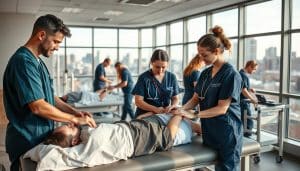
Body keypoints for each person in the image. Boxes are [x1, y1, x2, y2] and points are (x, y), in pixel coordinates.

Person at [3, 14, 97, 171]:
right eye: (56, 41)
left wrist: (76, 112)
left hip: (39, 138)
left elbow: (50, 98)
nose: (57, 47)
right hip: (26, 139)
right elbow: (38, 106)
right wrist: (72, 118)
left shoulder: (39, 63)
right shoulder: (23, 62)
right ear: (41, 35)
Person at [172, 26, 243, 171]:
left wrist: (194, 114)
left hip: (226, 133)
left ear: (216, 51)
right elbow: (195, 98)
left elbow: (222, 108)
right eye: (199, 54)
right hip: (209, 132)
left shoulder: (231, 74)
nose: (201, 59)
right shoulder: (205, 73)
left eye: (204, 55)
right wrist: (181, 109)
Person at [25, 113, 201, 170]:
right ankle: (197, 126)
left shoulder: (85, 135)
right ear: (74, 142)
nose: (71, 123)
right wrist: (178, 114)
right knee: (187, 125)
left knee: (179, 118)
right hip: (142, 137)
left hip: (135, 125)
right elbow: (167, 137)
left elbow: (40, 150)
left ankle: (189, 120)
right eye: (69, 128)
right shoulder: (87, 149)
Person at [132, 49, 180, 118]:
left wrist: (172, 106)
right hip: (145, 115)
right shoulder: (144, 78)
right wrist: (155, 109)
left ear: (167, 64)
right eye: (157, 67)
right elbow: (138, 101)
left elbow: (175, 98)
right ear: (151, 63)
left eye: (163, 67)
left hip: (164, 115)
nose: (160, 70)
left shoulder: (171, 77)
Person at [240, 60, 258, 137]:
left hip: (240, 102)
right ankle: (247, 140)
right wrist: (252, 99)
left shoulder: (240, 73)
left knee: (243, 121)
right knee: (248, 122)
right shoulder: (243, 75)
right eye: (254, 69)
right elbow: (243, 90)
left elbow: (243, 88)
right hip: (243, 102)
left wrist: (250, 89)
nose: (254, 71)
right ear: (250, 66)